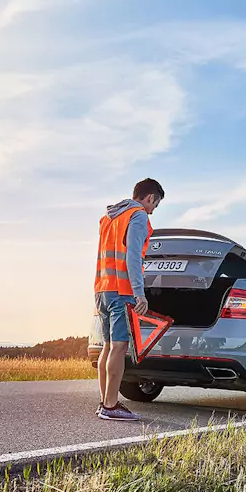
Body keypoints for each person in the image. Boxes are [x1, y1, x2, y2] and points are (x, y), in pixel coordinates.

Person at [94, 178, 164, 420]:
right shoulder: (138, 216)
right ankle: (111, 406)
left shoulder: (109, 218)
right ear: (149, 197)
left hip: (102, 288)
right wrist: (139, 293)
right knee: (119, 347)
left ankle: (104, 401)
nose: (153, 210)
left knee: (107, 346)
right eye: (155, 204)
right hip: (123, 290)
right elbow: (133, 257)